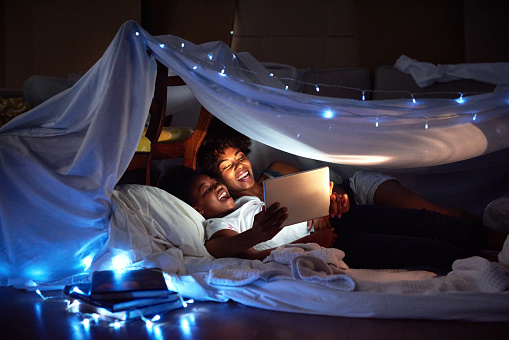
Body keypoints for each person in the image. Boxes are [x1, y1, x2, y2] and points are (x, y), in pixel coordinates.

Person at [158, 166, 506, 271]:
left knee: (422, 221)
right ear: (198, 209)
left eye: (215, 182)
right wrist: (269, 235)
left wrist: (324, 203)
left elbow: (306, 196)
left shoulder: (251, 196)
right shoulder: (217, 225)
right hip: (331, 242)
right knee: (419, 248)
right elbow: (224, 249)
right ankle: (493, 262)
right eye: (206, 189)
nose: (218, 186)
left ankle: (500, 242)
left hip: (334, 219)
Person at [196, 123, 482, 224]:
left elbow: (328, 189)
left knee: (439, 215)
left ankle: (494, 233)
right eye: (227, 166)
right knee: (430, 226)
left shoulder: (276, 170)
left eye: (240, 157)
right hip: (353, 221)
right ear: (219, 179)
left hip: (358, 190)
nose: (239, 166)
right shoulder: (242, 211)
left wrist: (335, 196)